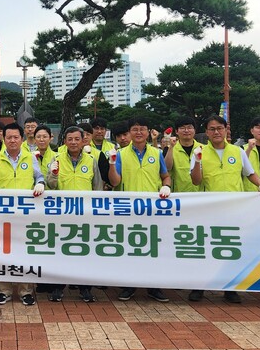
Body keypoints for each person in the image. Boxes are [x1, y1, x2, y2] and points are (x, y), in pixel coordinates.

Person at [188, 115, 260, 304]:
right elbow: (196, 180)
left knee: (231, 249)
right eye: (212, 129)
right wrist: (198, 162)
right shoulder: (199, 151)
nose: (216, 132)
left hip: (235, 211)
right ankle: (199, 287)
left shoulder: (238, 151)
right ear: (207, 133)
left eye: (220, 128)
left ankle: (231, 289)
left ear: (226, 130)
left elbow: (249, 172)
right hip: (210, 210)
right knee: (206, 249)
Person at [106, 118, 171, 303]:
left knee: (153, 248)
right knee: (129, 248)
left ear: (149, 132)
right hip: (128, 209)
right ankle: (129, 285)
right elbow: (115, 182)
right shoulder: (120, 154)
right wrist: (111, 164)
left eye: (142, 129)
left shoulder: (157, 153)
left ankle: (153, 287)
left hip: (152, 210)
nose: (139, 132)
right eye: (135, 129)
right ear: (130, 132)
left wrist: (166, 187)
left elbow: (165, 176)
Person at [0, 122, 46, 306]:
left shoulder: (30, 157)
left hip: (26, 214)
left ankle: (26, 291)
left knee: (25, 252)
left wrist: (40, 183)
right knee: (3, 253)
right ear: (3, 138)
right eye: (8, 137)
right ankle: (4, 290)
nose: (12, 140)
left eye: (15, 137)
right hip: (3, 214)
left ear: (22, 138)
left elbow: (39, 176)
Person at [45, 126, 104, 302]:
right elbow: (50, 185)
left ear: (83, 140)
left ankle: (85, 288)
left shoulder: (91, 160)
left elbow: (98, 186)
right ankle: (58, 287)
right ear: (65, 141)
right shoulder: (56, 158)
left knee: (85, 252)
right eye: (69, 139)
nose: (73, 142)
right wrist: (53, 175)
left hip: (85, 215)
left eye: (76, 139)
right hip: (63, 215)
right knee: (60, 252)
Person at [164, 117, 205, 193]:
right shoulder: (170, 149)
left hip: (200, 196)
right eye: (182, 128)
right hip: (179, 197)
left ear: (194, 130)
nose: (186, 131)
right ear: (176, 131)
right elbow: (167, 168)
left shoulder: (204, 149)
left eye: (189, 128)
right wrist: (171, 147)